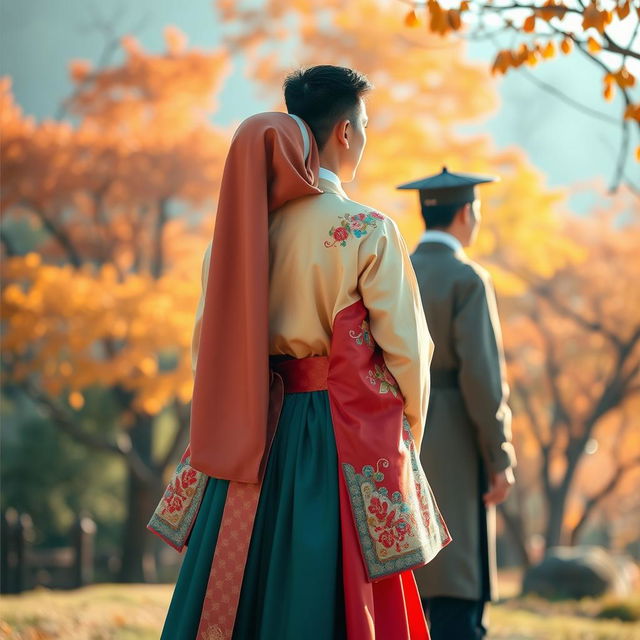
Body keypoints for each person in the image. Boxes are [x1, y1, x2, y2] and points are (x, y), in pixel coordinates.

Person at [148, 66, 450, 640]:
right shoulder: (367, 229)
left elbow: (204, 351)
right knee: (329, 591)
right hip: (337, 435)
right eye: (363, 126)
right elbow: (409, 353)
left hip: (250, 430)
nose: (363, 139)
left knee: (238, 586)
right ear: (343, 131)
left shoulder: (233, 238)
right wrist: (405, 436)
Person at [399, 168, 517, 640]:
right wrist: (499, 456)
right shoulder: (467, 279)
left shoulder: (393, 269)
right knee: (457, 583)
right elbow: (483, 380)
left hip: (397, 431)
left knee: (410, 579)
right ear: (467, 213)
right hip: (455, 435)